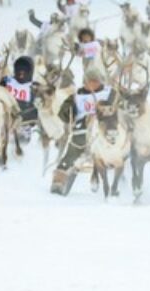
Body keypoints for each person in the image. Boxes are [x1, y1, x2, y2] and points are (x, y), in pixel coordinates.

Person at [51, 66, 114, 196]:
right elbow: (63, 114)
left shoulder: (109, 93)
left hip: (105, 129)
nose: (91, 84)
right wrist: (70, 111)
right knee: (71, 155)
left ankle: (119, 181)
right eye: (89, 81)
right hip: (82, 130)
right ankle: (59, 181)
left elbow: (120, 106)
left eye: (95, 81)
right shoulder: (76, 97)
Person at [2, 56, 40, 141]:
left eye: (25, 72)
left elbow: (36, 110)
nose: (21, 74)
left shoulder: (34, 88)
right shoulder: (7, 81)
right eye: (19, 71)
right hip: (4, 116)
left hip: (24, 122)